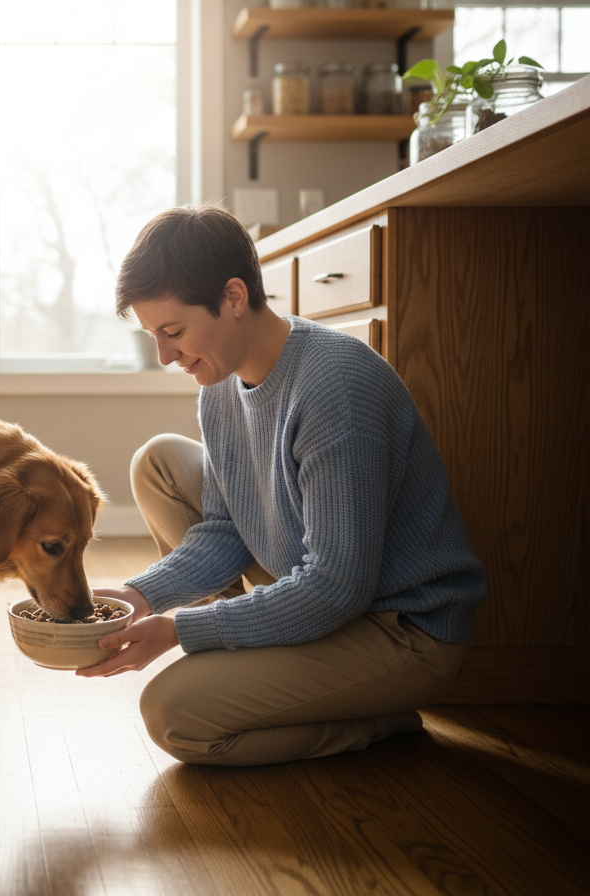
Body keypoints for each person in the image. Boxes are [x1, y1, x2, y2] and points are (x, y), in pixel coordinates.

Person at [76, 202, 486, 766]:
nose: (166, 355)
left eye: (174, 331)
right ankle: (256, 647)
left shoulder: (333, 388)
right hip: (315, 582)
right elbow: (224, 531)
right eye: (155, 336)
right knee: (160, 462)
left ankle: (373, 719)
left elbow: (338, 586)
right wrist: (141, 595)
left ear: (234, 298)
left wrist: (183, 631)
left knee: (175, 716)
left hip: (399, 630)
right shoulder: (219, 385)